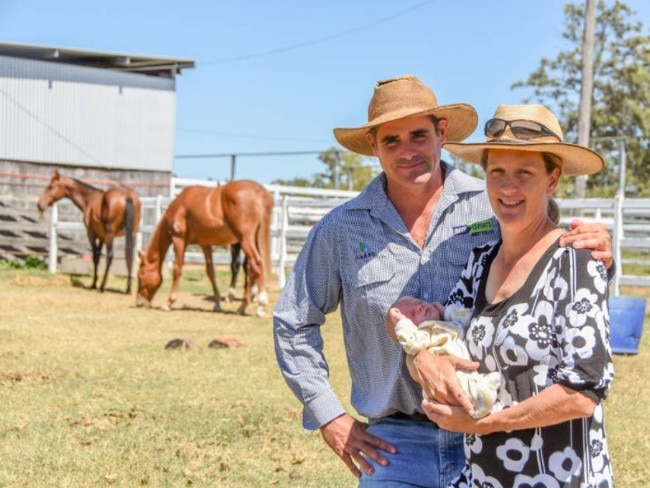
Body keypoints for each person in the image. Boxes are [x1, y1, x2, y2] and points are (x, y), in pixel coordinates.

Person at [273, 75, 613, 487]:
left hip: (499, 435)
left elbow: (547, 265)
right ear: (373, 146)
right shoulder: (340, 230)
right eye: (392, 140)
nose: (408, 151)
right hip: (397, 440)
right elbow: (293, 321)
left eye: (419, 134)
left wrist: (595, 254)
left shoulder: (492, 202)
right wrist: (329, 415)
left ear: (442, 133)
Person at [419, 104, 614, 486]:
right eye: (498, 172)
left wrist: (485, 424)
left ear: (552, 179)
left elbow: (584, 390)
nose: (508, 187)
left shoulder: (574, 264)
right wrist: (424, 355)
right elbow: (444, 334)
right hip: (483, 477)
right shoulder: (480, 262)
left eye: (525, 173)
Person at [386, 297, 501, 419]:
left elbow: (471, 320)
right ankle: (485, 406)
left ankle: (486, 399)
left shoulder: (444, 323)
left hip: (465, 367)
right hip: (449, 376)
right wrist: (401, 322)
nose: (419, 307)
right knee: (469, 392)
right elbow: (412, 344)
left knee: (473, 384)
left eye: (419, 303)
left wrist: (446, 311)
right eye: (412, 314)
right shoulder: (423, 334)